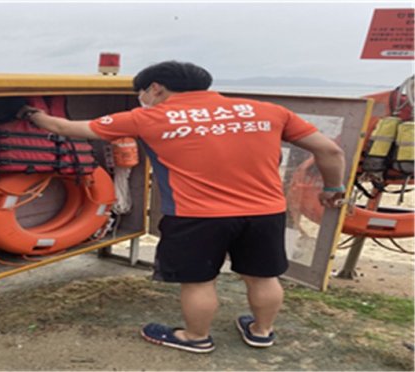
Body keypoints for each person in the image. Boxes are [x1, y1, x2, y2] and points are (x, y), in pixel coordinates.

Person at [17, 61, 346, 353]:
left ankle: (195, 337)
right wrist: (332, 189)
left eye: (142, 92)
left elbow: (65, 128)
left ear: (156, 88)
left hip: (196, 216)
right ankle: (261, 332)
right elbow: (330, 152)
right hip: (265, 212)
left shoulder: (147, 117)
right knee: (262, 275)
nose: (141, 98)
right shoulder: (266, 110)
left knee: (199, 281)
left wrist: (31, 113)